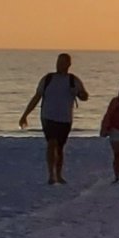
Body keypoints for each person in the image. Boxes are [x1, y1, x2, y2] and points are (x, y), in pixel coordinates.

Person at [19, 54, 89, 185]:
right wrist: (25, 115)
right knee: (51, 143)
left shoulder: (73, 80)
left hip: (65, 118)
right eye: (58, 62)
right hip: (48, 117)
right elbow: (37, 97)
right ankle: (51, 175)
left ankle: (59, 174)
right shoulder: (48, 79)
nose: (59, 64)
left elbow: (84, 96)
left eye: (63, 62)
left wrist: (79, 93)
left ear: (69, 64)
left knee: (60, 147)